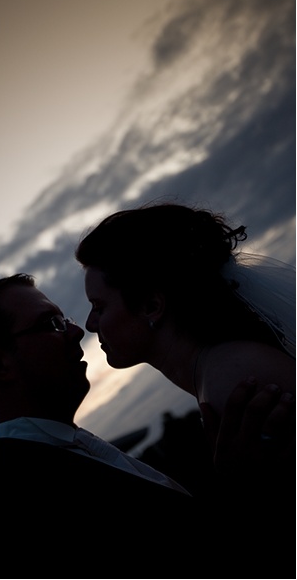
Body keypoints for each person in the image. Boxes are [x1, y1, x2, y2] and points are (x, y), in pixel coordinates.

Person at [0, 274, 198, 576]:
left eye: (65, 319)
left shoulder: (73, 453)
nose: (76, 331)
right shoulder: (0, 519)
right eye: (52, 324)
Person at [74, 203, 295, 477]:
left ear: (152, 306)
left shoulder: (234, 381)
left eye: (99, 306)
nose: (89, 324)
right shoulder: (218, 370)